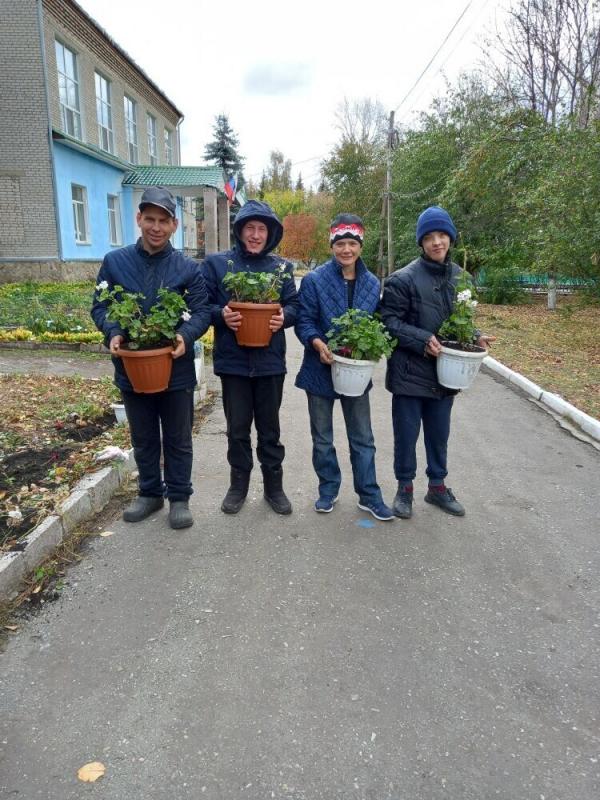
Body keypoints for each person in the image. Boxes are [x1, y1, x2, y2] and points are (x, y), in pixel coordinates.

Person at [91, 187, 210, 530]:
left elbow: (201, 311)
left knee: (177, 436)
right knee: (142, 435)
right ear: (139, 219)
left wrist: (185, 336)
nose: (155, 227)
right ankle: (149, 492)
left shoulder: (188, 268)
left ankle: (179, 497)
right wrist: (113, 330)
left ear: (174, 224)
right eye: (149, 219)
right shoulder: (115, 262)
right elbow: (100, 305)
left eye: (163, 221)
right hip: (132, 366)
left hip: (175, 366)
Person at [380, 205, 494, 519]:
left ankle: (437, 487)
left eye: (442, 235)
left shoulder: (462, 278)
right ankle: (405, 489)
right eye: (429, 237)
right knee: (406, 434)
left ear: (450, 239)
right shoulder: (401, 279)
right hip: (409, 373)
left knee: (439, 434)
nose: (436, 242)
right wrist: (420, 340)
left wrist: (476, 335)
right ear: (421, 242)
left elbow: (464, 321)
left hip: (446, 375)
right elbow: (388, 321)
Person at [200, 200, 299, 515]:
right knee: (237, 428)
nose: (255, 234)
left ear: (270, 234)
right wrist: (220, 315)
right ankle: (238, 485)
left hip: (270, 362)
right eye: (250, 228)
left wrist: (284, 316)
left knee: (270, 429)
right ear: (239, 231)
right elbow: (203, 306)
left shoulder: (281, 268)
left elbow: (295, 305)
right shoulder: (217, 265)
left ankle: (274, 487)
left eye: (262, 229)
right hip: (234, 363)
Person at [294, 214, 395, 521]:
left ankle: (369, 495)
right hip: (319, 368)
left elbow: (377, 324)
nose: (346, 249)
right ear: (332, 245)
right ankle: (328, 489)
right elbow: (304, 320)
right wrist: (316, 342)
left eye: (352, 243)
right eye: (340, 243)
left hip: (355, 373)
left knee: (362, 437)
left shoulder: (370, 282)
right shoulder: (314, 280)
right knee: (322, 437)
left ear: (360, 246)